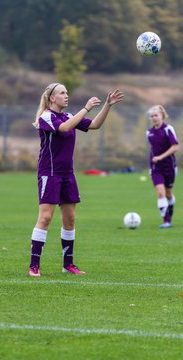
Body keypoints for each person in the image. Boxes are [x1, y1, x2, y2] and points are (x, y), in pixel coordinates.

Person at [28, 82, 124, 277]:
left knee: (70, 219)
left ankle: (68, 264)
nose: (66, 95)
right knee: (45, 218)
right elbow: (63, 129)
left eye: (66, 92)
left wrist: (107, 105)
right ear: (52, 98)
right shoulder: (46, 116)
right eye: (62, 93)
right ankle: (34, 265)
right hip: (50, 173)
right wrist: (87, 107)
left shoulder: (70, 116)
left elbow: (95, 125)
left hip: (67, 174)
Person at [146, 105, 179, 229]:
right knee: (160, 192)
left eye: (156, 115)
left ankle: (170, 211)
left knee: (168, 194)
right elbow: (152, 150)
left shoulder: (168, 129)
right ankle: (166, 221)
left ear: (162, 116)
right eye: (152, 116)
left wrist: (161, 157)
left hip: (169, 167)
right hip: (156, 168)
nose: (154, 118)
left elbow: (175, 146)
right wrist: (153, 163)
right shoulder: (149, 132)